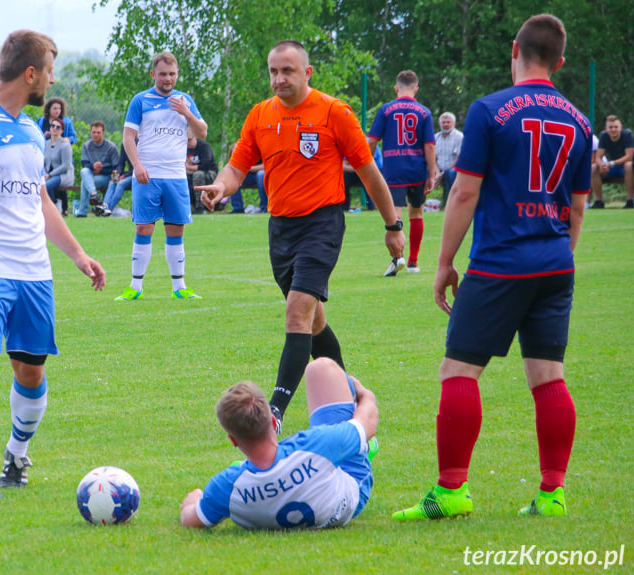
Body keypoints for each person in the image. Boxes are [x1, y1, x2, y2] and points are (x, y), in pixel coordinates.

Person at [392, 14, 591, 521]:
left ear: (514, 48)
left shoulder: (489, 110)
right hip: (554, 263)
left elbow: (464, 191)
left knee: (458, 370)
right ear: (560, 62)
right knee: (549, 376)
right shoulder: (580, 120)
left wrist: (442, 262)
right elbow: (578, 206)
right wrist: (559, 253)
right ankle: (552, 494)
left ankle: (452, 491)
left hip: (501, 262)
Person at [0, 29, 106, 498]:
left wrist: (78, 254)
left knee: (31, 371)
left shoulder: (32, 131)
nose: (52, 79)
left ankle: (16, 454)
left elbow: (41, 202)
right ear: (31, 74)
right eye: (49, 69)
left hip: (34, 270)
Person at [198, 40, 403, 432]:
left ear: (307, 73)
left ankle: (273, 415)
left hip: (322, 224)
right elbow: (237, 167)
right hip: (281, 229)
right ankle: (354, 410)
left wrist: (392, 226)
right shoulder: (260, 115)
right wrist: (221, 187)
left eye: (288, 70)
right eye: (274, 71)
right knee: (313, 323)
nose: (279, 78)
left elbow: (369, 173)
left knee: (296, 312)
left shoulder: (333, 112)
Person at [180, 358, 378, 530]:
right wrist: (364, 395)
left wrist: (195, 500)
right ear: (274, 422)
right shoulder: (315, 444)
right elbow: (367, 424)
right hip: (351, 491)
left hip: (307, 497)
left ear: (232, 440)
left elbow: (191, 519)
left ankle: (351, 445)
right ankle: (359, 447)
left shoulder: (227, 486)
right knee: (321, 368)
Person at [115, 51, 209, 301]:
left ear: (177, 74)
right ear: (153, 74)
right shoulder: (140, 100)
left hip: (176, 177)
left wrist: (186, 113)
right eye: (163, 74)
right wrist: (137, 165)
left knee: (176, 230)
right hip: (147, 175)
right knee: (144, 227)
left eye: (172, 74)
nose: (167, 79)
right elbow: (127, 137)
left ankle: (180, 287)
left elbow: (202, 131)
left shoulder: (185, 100)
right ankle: (135, 287)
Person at [369, 70, 438, 276]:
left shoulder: (386, 110)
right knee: (416, 213)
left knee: (394, 213)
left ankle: (396, 258)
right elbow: (430, 146)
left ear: (396, 88)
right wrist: (432, 174)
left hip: (394, 169)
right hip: (417, 169)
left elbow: (372, 140)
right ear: (416, 89)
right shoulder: (424, 112)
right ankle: (413, 262)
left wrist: (367, 166)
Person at [77, 121, 120, 217]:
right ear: (90, 133)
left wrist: (101, 170)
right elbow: (84, 163)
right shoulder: (86, 146)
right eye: (94, 132)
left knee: (85, 182)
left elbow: (116, 167)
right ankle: (94, 194)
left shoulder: (111, 147)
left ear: (103, 133)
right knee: (84, 171)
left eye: (98, 132)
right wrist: (93, 166)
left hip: (106, 177)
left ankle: (83, 211)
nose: (96, 135)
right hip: (92, 175)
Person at [590, 115, 634, 208]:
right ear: (606, 128)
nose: (613, 129)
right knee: (594, 168)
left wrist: (611, 163)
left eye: (616, 127)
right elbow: (598, 156)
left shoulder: (627, 135)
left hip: (627, 169)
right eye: (610, 127)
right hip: (612, 167)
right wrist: (601, 165)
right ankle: (599, 202)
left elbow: (629, 157)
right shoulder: (603, 135)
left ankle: (630, 201)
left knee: (628, 165)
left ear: (620, 127)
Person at [44, 117, 75, 215]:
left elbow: (65, 166)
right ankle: (52, 208)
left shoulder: (65, 145)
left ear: (62, 131)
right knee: (39, 184)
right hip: (48, 175)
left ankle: (54, 207)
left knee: (46, 185)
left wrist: (50, 175)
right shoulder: (46, 144)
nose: (54, 129)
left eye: (58, 127)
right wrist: (45, 174)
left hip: (63, 175)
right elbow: (43, 163)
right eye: (53, 126)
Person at [227, 142, 267, 214]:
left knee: (261, 174)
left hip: (260, 176)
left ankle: (264, 207)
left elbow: (265, 166)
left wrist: (249, 168)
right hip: (245, 176)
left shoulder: (258, 149)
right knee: (233, 177)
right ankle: (238, 208)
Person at [434, 112, 463, 209]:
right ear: (440, 124)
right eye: (443, 122)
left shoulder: (459, 137)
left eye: (448, 122)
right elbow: (433, 158)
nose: (446, 124)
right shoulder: (435, 137)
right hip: (437, 169)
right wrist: (437, 172)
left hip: (453, 169)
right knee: (420, 171)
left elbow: (458, 159)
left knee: (449, 174)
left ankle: (447, 204)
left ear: (453, 124)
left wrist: (442, 173)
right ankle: (418, 203)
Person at [186, 127, 218, 214]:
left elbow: (206, 165)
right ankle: (188, 205)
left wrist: (190, 168)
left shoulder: (203, 147)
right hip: (191, 174)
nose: (187, 143)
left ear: (195, 137)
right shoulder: (183, 148)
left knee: (198, 175)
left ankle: (199, 207)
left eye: (189, 140)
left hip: (209, 174)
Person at [101, 142, 134, 212]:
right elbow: (121, 163)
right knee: (113, 181)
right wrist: (117, 173)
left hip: (136, 175)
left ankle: (109, 209)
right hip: (127, 175)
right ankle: (105, 205)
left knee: (120, 184)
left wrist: (124, 176)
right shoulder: (125, 144)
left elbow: (137, 168)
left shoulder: (140, 143)